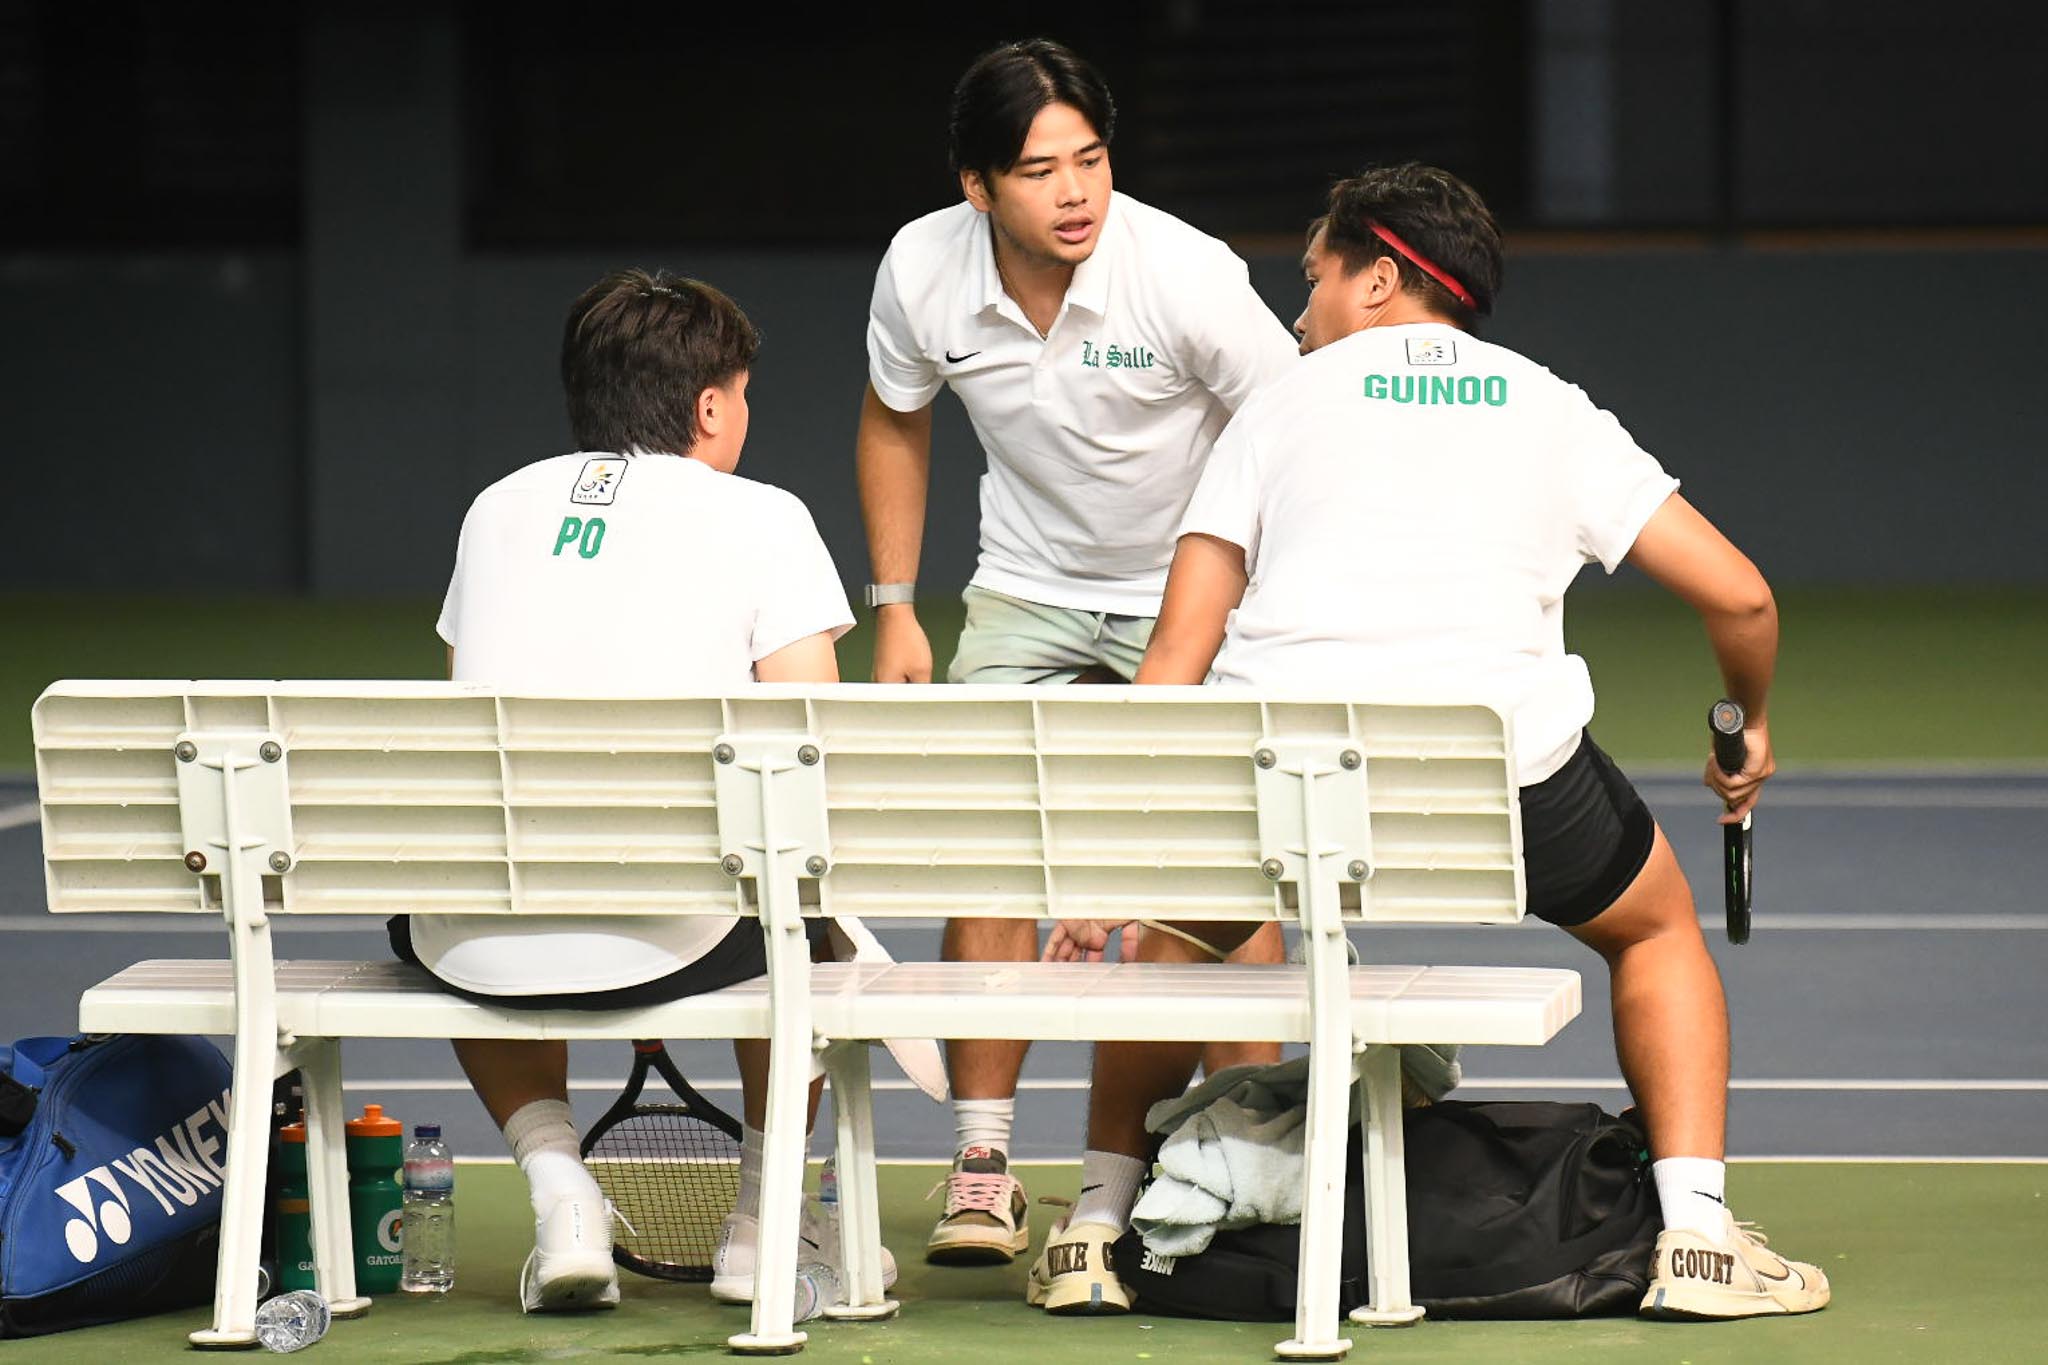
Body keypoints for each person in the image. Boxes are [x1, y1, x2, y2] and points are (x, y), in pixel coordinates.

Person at [1036, 163, 1830, 1321]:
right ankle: (1697, 1239)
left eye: (1310, 280)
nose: (1296, 311)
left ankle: (1094, 1231)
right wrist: (1746, 723)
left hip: (1284, 789)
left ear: (1377, 277)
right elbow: (1741, 599)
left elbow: (1175, 659)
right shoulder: (1549, 405)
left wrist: (1126, 856)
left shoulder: (1273, 409)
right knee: (1655, 931)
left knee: (1177, 938)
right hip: (1500, 786)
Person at [855, 36, 1300, 1277]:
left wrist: (1244, 609)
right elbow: (896, 418)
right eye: (1040, 169)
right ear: (975, 186)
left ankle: (1246, 1149)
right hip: (1027, 589)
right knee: (990, 842)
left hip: (1194, 592)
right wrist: (895, 604)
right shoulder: (920, 270)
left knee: (1223, 867)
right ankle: (984, 1162)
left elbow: (1294, 430)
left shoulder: (1186, 276)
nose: (1073, 193)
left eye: (1091, 161)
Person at [392, 268, 882, 1312]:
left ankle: (561, 1191)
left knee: (452, 884)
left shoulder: (493, 511)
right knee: (792, 900)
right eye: (743, 395)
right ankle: (761, 1224)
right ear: (710, 405)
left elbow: (467, 721)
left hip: (480, 940)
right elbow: (807, 750)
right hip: (684, 926)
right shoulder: (768, 516)